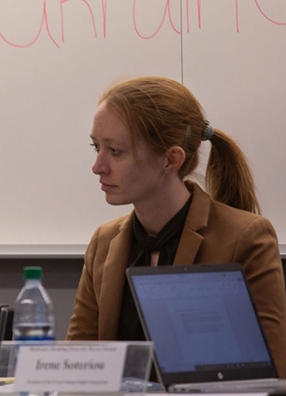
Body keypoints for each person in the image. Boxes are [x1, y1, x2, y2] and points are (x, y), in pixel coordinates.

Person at [66, 76, 286, 378]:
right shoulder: (104, 242)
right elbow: (78, 367)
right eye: (96, 147)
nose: (98, 166)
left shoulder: (246, 237)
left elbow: (272, 376)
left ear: (171, 159)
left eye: (114, 151)